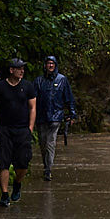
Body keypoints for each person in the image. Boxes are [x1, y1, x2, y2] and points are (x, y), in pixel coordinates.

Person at [0, 57, 37, 208]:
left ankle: (17, 183)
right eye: (19, 68)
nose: (22, 71)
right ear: (11, 70)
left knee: (23, 163)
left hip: (22, 130)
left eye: (23, 68)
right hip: (5, 130)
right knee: (3, 163)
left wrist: (30, 127)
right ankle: (4, 195)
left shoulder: (28, 86)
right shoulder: (0, 87)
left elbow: (32, 108)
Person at [34, 54, 77, 182]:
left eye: (52, 63)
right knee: (42, 143)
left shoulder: (62, 80)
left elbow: (68, 98)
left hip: (56, 116)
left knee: (50, 143)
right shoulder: (38, 81)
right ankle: (46, 165)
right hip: (41, 116)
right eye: (48, 63)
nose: (50, 65)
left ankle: (48, 170)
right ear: (45, 65)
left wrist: (72, 114)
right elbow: (32, 99)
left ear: (56, 65)